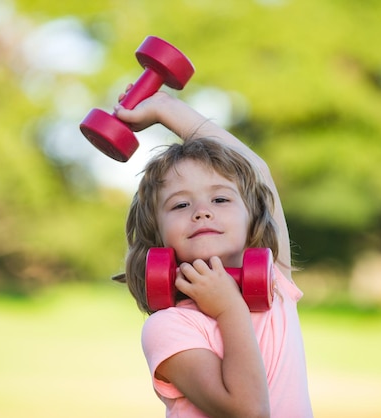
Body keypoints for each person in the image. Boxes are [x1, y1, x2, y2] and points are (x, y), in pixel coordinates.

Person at [113, 90, 314, 417]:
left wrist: (167, 108)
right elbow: (249, 411)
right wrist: (229, 308)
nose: (202, 212)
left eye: (220, 200)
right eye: (180, 204)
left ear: (253, 219)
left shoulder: (275, 281)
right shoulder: (170, 327)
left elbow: (256, 170)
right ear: (157, 235)